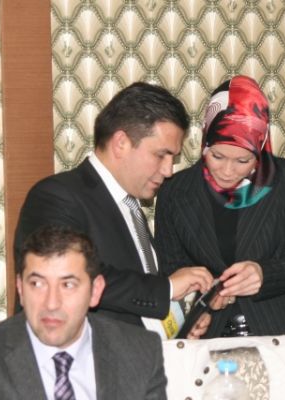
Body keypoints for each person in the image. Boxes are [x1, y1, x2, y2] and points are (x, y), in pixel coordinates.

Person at [15, 82, 214, 339]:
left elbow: (135, 302)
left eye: (172, 159)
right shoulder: (56, 196)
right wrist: (166, 288)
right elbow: (70, 279)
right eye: (161, 155)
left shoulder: (130, 205)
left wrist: (181, 322)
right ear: (121, 143)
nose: (168, 170)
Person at [155, 75, 285, 341]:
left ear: (260, 148)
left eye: (243, 160)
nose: (228, 171)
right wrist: (205, 294)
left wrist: (264, 274)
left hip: (279, 329)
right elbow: (171, 270)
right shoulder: (175, 190)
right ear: (205, 139)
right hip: (207, 333)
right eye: (217, 156)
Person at [0, 225, 175, 400]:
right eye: (37, 284)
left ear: (95, 291)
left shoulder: (139, 351)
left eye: (68, 285)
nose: (51, 303)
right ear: (20, 289)